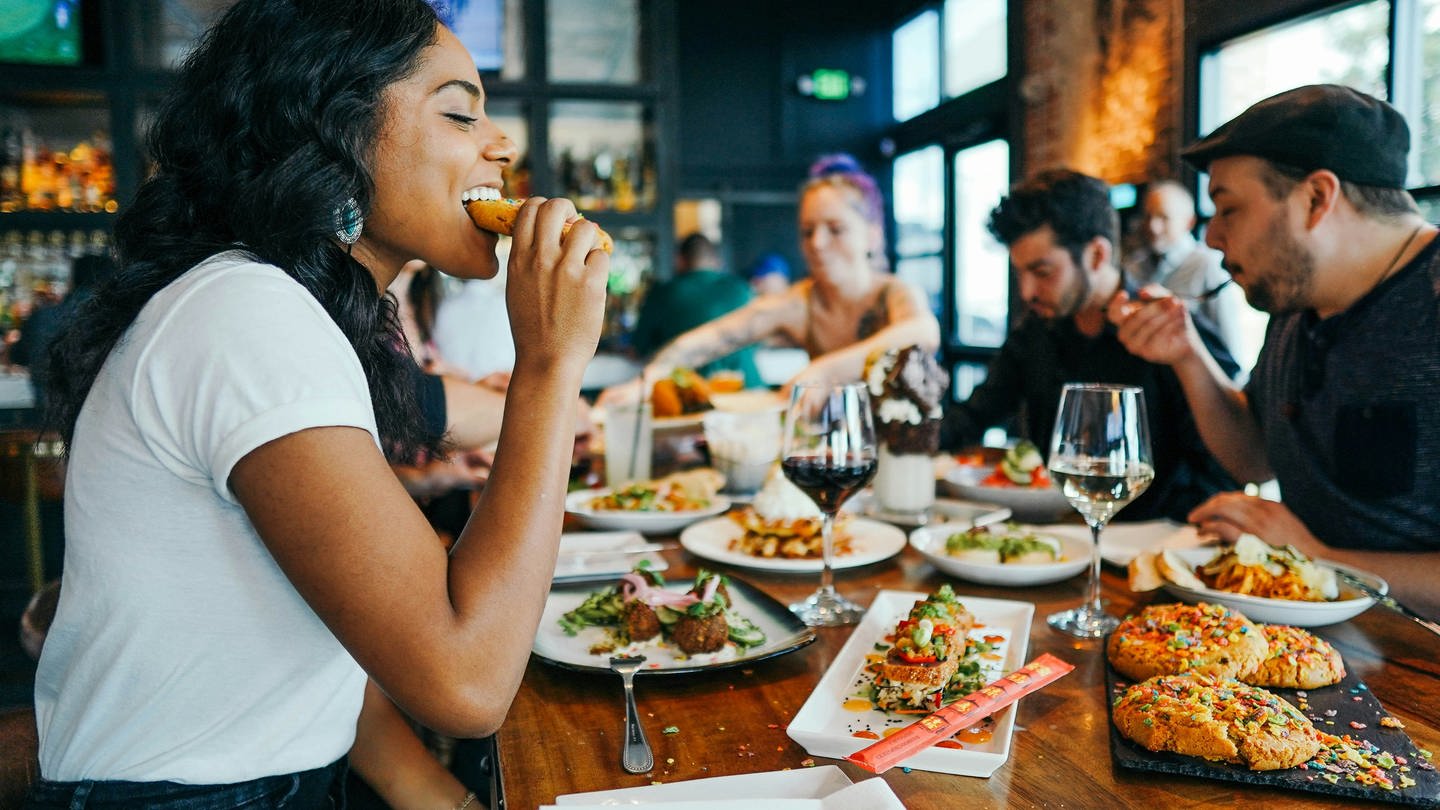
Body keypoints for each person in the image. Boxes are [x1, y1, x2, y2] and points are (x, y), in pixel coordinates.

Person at [29, 2, 608, 806]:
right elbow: (467, 684)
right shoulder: (246, 314)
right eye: (459, 114)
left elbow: (321, 643)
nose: (501, 145)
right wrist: (550, 363)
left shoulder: (287, 310)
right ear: (333, 132)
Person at [1110, 84, 1440, 615]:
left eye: (1228, 209)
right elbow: (1254, 456)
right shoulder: (1296, 303)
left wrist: (1318, 557)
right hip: (1311, 639)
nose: (1212, 237)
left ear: (1316, 198)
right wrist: (1187, 355)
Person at [939, 168, 1239, 523]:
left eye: (1043, 272)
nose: (1027, 292)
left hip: (1150, 549)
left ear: (1097, 255)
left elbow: (1226, 468)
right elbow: (973, 416)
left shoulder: (1169, 331)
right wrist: (903, 433)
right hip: (1056, 538)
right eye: (1020, 273)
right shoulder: (1035, 333)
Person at [598, 154, 939, 403]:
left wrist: (822, 371)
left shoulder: (895, 292)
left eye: (835, 229)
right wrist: (645, 382)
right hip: (837, 458)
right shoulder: (800, 302)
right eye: (807, 231)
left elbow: (922, 332)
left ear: (873, 235)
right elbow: (711, 339)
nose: (817, 243)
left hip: (906, 462)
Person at [1124, 180, 1257, 367]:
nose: (1153, 226)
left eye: (1164, 217)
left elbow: (1228, 344)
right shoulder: (1134, 266)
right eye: (1148, 216)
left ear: (1189, 222)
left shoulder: (1207, 265)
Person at [630, 232, 761, 388]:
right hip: (749, 390)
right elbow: (757, 342)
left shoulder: (662, 293)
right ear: (716, 261)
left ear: (679, 260)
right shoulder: (742, 288)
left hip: (692, 395)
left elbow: (638, 349)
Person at [9, 254, 115, 413]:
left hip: (46, 419)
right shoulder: (117, 320)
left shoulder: (41, 317)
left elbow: (17, 356)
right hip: (101, 420)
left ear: (72, 281)